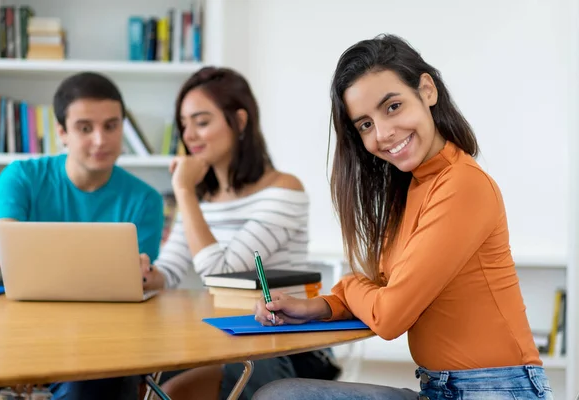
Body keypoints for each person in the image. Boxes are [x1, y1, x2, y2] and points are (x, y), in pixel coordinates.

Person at [252, 34, 554, 400]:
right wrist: (313, 308)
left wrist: (347, 284)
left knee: (283, 396)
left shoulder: (462, 185)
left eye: (392, 107)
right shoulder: (411, 189)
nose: (383, 134)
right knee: (282, 393)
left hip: (499, 389)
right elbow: (383, 292)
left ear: (426, 90)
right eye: (364, 124)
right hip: (442, 388)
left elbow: (390, 315)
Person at [138, 66, 341, 400]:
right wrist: (142, 273)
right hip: (224, 337)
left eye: (201, 122)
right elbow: (169, 271)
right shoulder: (201, 198)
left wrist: (184, 193)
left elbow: (224, 274)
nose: (189, 136)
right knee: (142, 371)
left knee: (174, 390)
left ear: (240, 122)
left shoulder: (284, 189)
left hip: (283, 344)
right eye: (184, 125)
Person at [0, 71, 164, 400]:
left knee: (94, 385)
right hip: (16, 326)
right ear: (62, 133)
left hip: (100, 337)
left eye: (111, 126)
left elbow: (139, 279)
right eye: (85, 128)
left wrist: (144, 273)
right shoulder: (21, 176)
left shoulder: (146, 199)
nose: (100, 139)